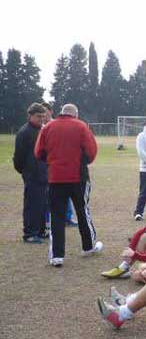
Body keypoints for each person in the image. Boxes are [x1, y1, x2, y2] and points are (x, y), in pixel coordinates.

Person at [34, 103, 101, 267]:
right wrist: (82, 162)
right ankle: (88, 246)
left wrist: (52, 162)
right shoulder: (81, 126)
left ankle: (57, 256)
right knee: (83, 211)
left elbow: (39, 152)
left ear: (61, 113)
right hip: (78, 178)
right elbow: (91, 151)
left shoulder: (48, 127)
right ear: (75, 114)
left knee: (56, 216)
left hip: (55, 178)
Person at [13, 103, 48, 243]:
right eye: (38, 116)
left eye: (43, 116)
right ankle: (30, 234)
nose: (41, 119)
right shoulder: (24, 132)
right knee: (32, 204)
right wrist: (26, 172)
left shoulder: (42, 130)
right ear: (30, 116)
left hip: (43, 174)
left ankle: (40, 231)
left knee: (42, 204)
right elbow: (18, 157)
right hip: (32, 175)